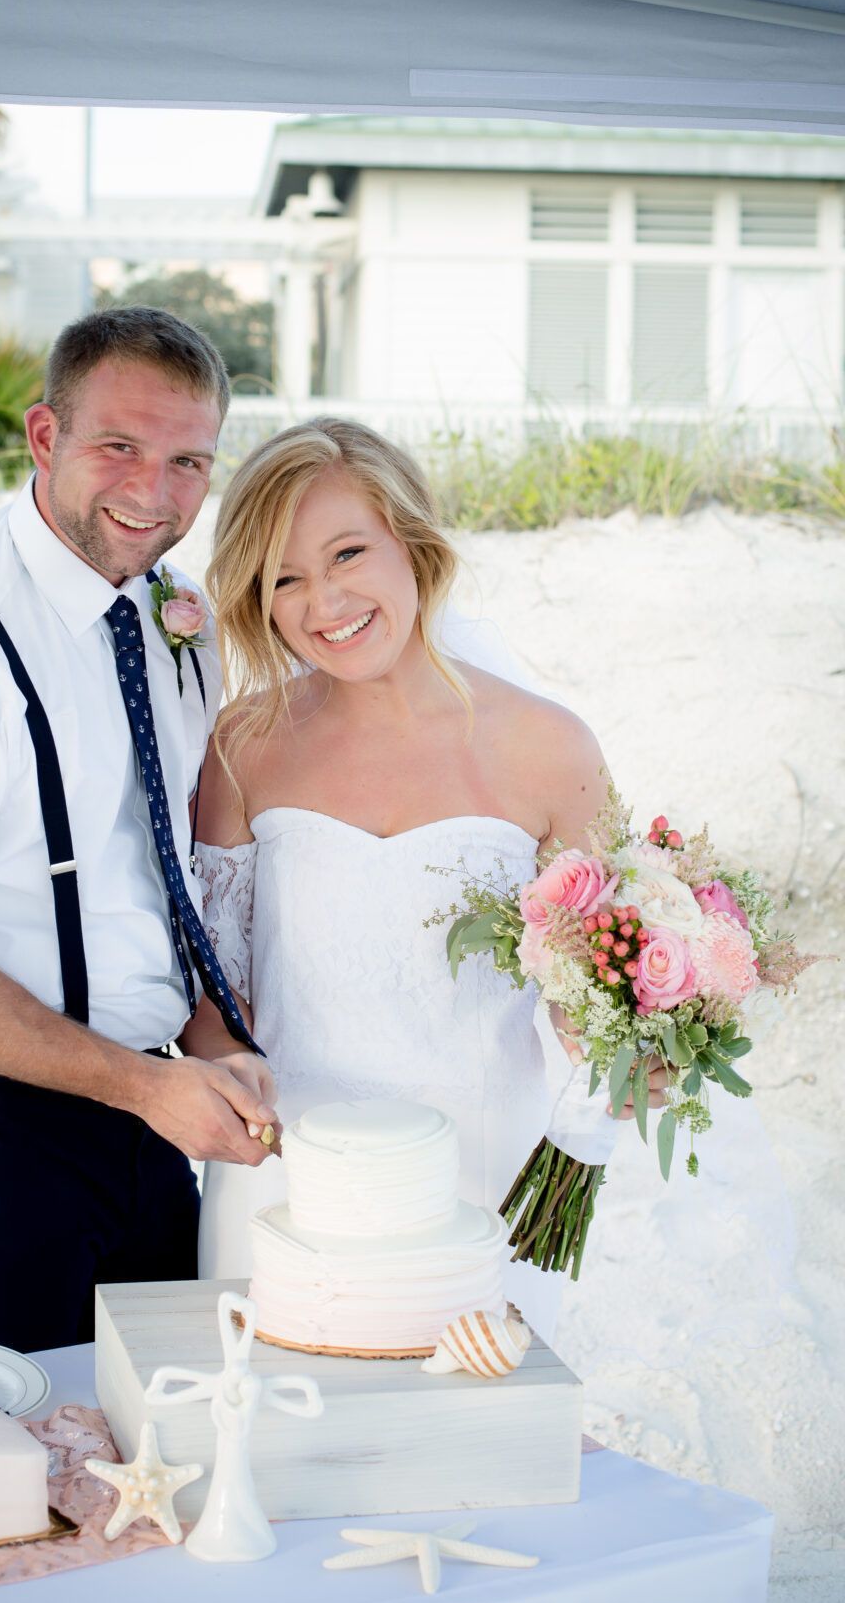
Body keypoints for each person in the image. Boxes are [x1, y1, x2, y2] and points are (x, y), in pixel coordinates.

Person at [0, 307, 277, 1354]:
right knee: (5, 1484)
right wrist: (148, 1086)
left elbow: (164, 868)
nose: (153, 494)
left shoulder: (175, 619)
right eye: (120, 447)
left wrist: (211, 1047)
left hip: (143, 1112)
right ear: (44, 437)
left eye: (188, 462)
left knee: (152, 1450)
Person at [186, 418, 667, 1340]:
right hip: (287, 1188)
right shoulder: (245, 744)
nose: (323, 601)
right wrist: (241, 1103)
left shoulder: (548, 746)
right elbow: (215, 1004)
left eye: (348, 553)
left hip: (480, 1178)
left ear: (411, 542)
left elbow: (585, 996)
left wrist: (640, 1046)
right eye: (284, 578)